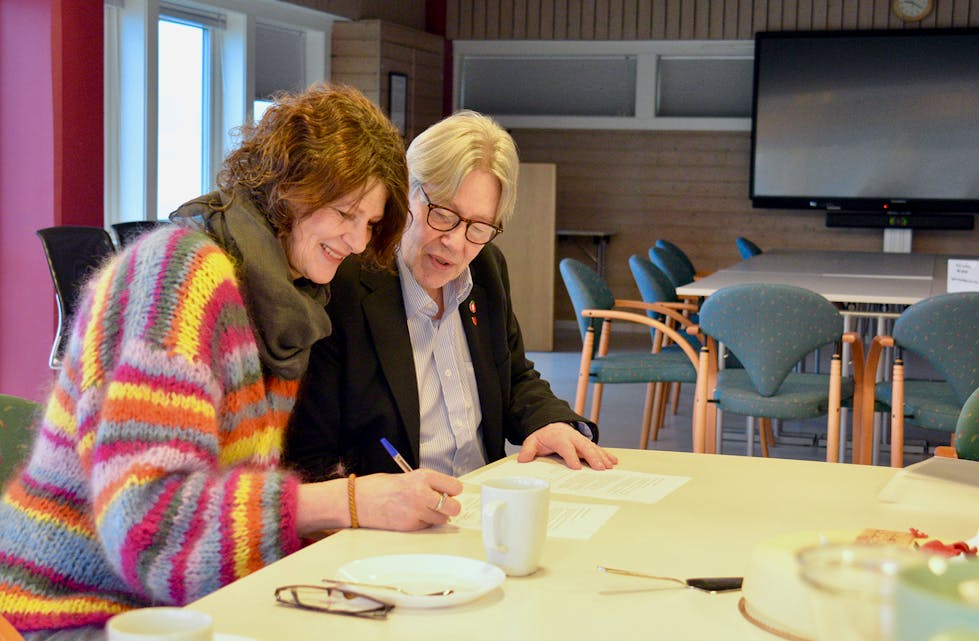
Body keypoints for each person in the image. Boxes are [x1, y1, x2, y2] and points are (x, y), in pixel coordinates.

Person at [0, 84, 462, 640]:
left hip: (185, 605)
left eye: (370, 223)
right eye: (345, 213)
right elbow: (154, 532)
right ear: (287, 187)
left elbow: (221, 523)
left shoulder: (281, 304)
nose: (358, 242)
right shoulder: (179, 275)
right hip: (78, 612)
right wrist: (347, 502)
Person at [286, 110, 618, 481]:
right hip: (393, 521)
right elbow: (310, 452)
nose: (456, 243)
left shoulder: (487, 269)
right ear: (405, 191)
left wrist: (550, 422)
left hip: (484, 502)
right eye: (443, 214)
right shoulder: (344, 284)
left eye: (479, 227)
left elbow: (514, 376)